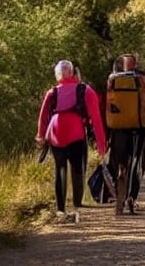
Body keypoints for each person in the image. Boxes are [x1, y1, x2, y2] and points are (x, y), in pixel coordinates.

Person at [36, 60, 107, 223]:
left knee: (59, 169)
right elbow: (96, 118)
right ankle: (77, 203)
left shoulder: (52, 92)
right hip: (76, 132)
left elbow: (43, 116)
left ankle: (60, 209)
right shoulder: (85, 90)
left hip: (55, 133)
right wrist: (101, 145)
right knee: (77, 169)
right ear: (73, 73)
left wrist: (40, 136)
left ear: (58, 75)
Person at [106, 53, 145, 215]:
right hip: (139, 126)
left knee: (121, 163)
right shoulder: (142, 78)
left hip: (118, 126)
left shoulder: (112, 79)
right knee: (137, 161)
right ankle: (132, 197)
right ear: (135, 64)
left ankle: (119, 187)